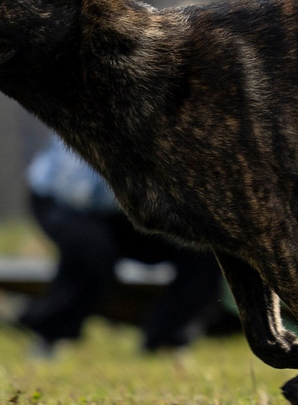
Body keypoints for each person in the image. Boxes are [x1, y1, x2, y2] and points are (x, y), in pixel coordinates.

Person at [18, 135, 225, 354]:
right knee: (92, 250)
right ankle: (50, 334)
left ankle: (166, 340)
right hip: (64, 198)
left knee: (208, 248)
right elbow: (79, 192)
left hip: (131, 206)